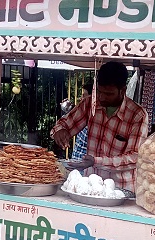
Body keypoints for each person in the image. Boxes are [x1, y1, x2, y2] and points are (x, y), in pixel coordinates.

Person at [51, 62, 148, 192]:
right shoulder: (91, 103)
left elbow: (135, 158)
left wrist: (96, 161)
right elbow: (64, 124)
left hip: (121, 190)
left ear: (123, 91)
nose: (102, 97)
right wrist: (60, 131)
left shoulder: (137, 115)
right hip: (89, 186)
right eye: (100, 92)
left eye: (108, 94)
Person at [70, 80, 93, 160]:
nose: (81, 98)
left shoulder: (94, 118)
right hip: (76, 162)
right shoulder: (84, 114)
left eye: (84, 96)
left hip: (86, 167)